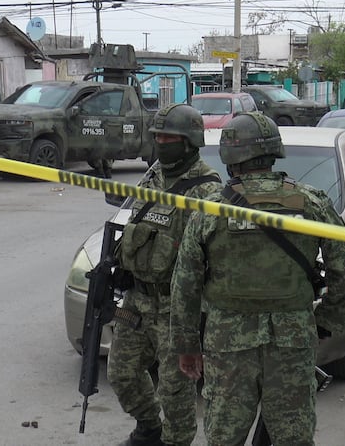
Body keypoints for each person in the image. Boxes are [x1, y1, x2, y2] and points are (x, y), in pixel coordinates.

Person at [169, 112, 345, 446]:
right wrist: (325, 321)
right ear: (274, 154)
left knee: (224, 439)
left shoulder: (211, 209)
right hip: (292, 342)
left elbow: (185, 283)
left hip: (227, 344)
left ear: (230, 158)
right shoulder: (310, 202)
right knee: (293, 438)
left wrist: (187, 346)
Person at [108, 103, 222, 446]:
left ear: (189, 142)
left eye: (167, 138)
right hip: (137, 299)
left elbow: (213, 256)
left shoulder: (207, 189)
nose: (160, 143)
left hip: (177, 306)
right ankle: (148, 428)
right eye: (156, 137)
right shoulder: (153, 175)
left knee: (175, 392)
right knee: (122, 373)